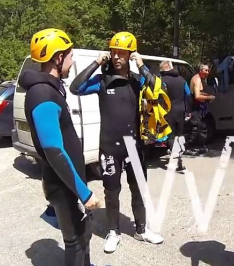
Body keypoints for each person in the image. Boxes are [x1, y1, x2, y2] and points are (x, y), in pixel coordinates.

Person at [69, 31, 164, 254]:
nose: (118, 56)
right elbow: (76, 88)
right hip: (110, 147)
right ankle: (113, 232)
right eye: (114, 52)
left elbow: (158, 92)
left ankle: (141, 229)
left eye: (123, 53)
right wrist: (95, 62)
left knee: (139, 189)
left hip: (135, 145)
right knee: (112, 192)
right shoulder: (102, 81)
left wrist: (142, 66)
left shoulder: (137, 81)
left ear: (130, 55)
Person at [19, 28, 101, 266]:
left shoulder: (50, 88)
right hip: (62, 184)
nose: (72, 60)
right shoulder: (43, 94)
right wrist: (84, 193)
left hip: (68, 181)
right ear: (57, 58)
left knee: (83, 234)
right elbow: (54, 150)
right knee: (75, 239)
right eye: (70, 55)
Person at [159, 60, 191, 172]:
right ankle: (180, 159)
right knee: (180, 135)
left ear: (163, 69)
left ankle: (177, 159)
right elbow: (188, 94)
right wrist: (188, 110)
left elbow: (159, 97)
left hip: (169, 111)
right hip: (181, 110)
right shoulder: (182, 80)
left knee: (171, 136)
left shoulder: (162, 81)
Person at [188, 63, 216, 155]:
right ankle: (188, 147)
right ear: (201, 71)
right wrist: (209, 98)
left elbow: (200, 93)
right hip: (195, 107)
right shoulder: (197, 80)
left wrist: (207, 95)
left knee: (203, 127)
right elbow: (197, 96)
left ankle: (201, 146)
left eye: (208, 70)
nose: (207, 72)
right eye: (206, 70)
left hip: (200, 108)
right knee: (196, 128)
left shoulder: (199, 79)